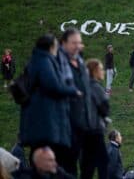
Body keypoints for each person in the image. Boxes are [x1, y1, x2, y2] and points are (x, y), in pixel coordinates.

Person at [20, 34, 81, 173]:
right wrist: (73, 90)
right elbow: (53, 85)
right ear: (50, 47)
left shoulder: (35, 60)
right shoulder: (44, 61)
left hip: (38, 118)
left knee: (40, 155)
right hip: (45, 119)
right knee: (48, 158)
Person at [58, 28, 93, 177]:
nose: (78, 46)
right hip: (64, 126)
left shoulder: (80, 63)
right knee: (66, 168)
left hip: (81, 125)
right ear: (63, 43)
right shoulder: (57, 63)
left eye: (80, 43)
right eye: (74, 43)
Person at [84, 59, 110, 179]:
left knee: (87, 165)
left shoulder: (83, 85)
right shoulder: (96, 87)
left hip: (84, 130)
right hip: (95, 129)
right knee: (103, 162)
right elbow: (105, 108)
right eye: (100, 69)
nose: (103, 71)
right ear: (94, 71)